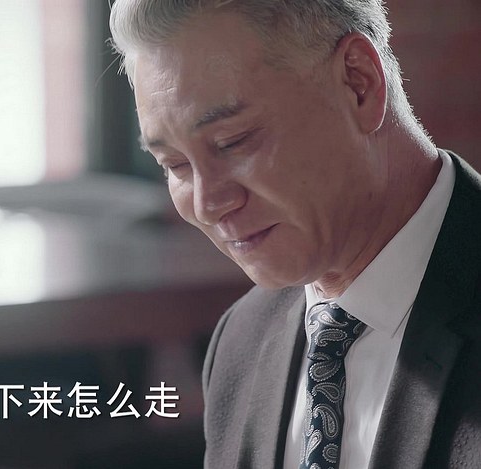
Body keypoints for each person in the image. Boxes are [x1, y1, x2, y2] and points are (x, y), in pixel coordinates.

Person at [109, 1, 481, 468]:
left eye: (232, 142)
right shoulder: (240, 341)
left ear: (358, 84)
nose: (206, 204)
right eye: (175, 165)